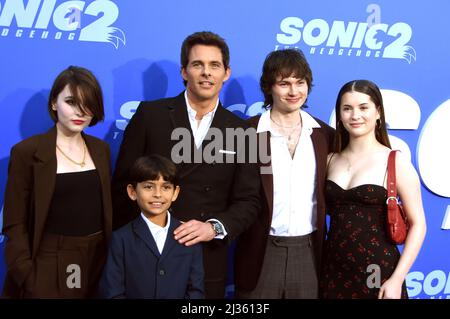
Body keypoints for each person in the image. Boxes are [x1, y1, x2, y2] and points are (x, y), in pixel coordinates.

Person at [111, 31, 260, 298]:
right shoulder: (150, 115)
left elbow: (249, 201)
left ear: (226, 73)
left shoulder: (242, 131)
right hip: (146, 257)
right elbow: (123, 185)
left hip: (206, 259)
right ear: (184, 71)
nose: (206, 73)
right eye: (197, 65)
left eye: (214, 65)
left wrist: (212, 227)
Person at [2, 66, 112, 298]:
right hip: (49, 259)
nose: (80, 111)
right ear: (54, 103)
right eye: (71, 101)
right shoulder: (27, 152)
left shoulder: (101, 150)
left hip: (96, 259)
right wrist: (28, 275)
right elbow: (14, 222)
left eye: (88, 103)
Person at [234, 49, 335, 298]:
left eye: (300, 82)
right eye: (284, 83)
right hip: (260, 250)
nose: (293, 91)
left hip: (310, 252)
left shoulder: (325, 135)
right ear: (269, 87)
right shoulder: (247, 133)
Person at [320, 80, 426, 299]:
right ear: (339, 115)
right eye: (347, 108)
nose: (355, 115)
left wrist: (397, 278)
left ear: (378, 112)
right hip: (332, 270)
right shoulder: (330, 160)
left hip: (377, 272)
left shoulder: (395, 162)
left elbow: (418, 224)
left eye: (363, 107)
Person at [99, 155, 204, 298]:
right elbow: (113, 292)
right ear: (132, 192)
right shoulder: (121, 239)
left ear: (175, 193)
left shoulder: (189, 236)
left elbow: (195, 291)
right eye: (149, 187)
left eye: (166, 187)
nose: (158, 194)